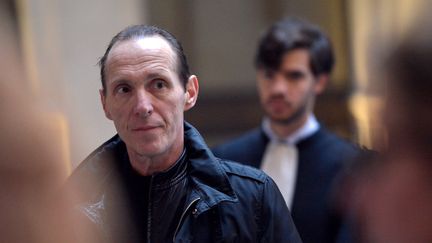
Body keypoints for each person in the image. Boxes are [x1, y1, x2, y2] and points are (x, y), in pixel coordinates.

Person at [68, 25, 302, 243]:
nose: (142, 106)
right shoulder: (69, 207)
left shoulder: (253, 200)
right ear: (105, 104)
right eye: (124, 89)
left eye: (158, 85)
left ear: (190, 92)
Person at [212, 18, 359, 243]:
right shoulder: (222, 160)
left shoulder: (353, 165)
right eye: (269, 75)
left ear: (319, 82)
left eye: (294, 76)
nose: (278, 88)